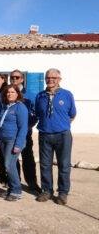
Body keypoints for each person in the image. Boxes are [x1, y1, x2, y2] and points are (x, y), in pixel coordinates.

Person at [35, 68, 76, 205]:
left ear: (59, 79)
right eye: (48, 77)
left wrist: (61, 125)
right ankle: (46, 190)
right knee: (45, 165)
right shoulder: (40, 96)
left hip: (63, 135)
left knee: (64, 165)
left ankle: (63, 193)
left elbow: (72, 114)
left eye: (54, 78)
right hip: (45, 135)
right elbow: (38, 114)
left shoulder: (67, 95)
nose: (50, 80)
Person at [10, 70, 40, 193]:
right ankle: (15, 181)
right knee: (13, 159)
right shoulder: (8, 93)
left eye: (17, 77)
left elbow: (36, 114)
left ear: (22, 79)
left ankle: (32, 183)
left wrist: (28, 126)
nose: (14, 79)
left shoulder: (31, 95)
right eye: (12, 77)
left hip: (25, 133)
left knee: (27, 158)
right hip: (11, 133)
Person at [0, 85, 29, 201]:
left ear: (17, 94)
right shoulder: (6, 107)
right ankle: (11, 189)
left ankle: (16, 191)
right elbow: (0, 126)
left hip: (13, 140)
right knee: (9, 166)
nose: (9, 94)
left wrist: (18, 144)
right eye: (8, 92)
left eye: (12, 92)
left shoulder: (20, 107)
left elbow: (23, 128)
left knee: (9, 165)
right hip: (3, 140)